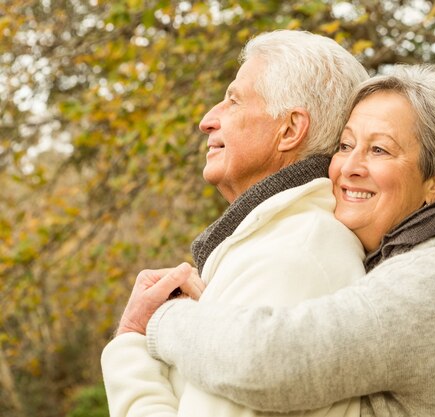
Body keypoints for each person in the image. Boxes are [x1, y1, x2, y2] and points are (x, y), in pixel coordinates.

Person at [122, 63, 435, 416]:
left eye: (380, 151)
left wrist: (159, 320)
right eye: (346, 145)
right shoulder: (426, 266)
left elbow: (270, 361)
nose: (349, 166)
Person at [100, 30, 369, 417]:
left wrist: (130, 345)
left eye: (233, 100)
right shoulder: (278, 244)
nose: (207, 120)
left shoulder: (291, 258)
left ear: (290, 130)